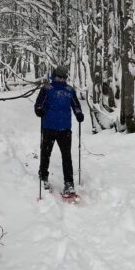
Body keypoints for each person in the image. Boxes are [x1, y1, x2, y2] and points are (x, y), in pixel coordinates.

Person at [34, 65, 84, 195]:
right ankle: (43, 175)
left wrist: (79, 113)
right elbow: (38, 104)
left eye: (63, 77)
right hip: (48, 127)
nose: (61, 79)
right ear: (54, 76)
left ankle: (69, 183)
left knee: (66, 157)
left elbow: (76, 105)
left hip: (65, 129)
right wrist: (39, 110)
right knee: (45, 153)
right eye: (58, 77)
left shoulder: (69, 90)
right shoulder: (47, 89)